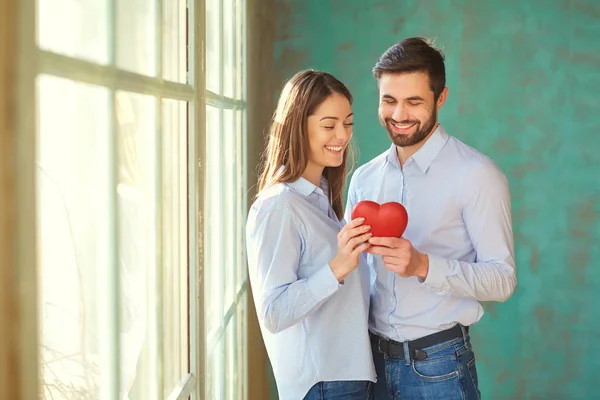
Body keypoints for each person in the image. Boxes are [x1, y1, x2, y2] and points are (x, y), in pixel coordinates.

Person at [344, 37, 517, 400]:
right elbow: (354, 277)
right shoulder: (364, 178)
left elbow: (502, 281)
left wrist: (424, 265)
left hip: (438, 368)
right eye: (389, 100)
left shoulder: (476, 174)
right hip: (368, 366)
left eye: (414, 101)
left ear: (441, 98)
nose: (399, 115)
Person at [246, 69, 376, 400]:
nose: (343, 135)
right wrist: (338, 267)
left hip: (346, 380)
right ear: (297, 126)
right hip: (324, 386)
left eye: (347, 123)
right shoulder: (279, 206)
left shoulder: (320, 198)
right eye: (329, 125)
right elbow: (274, 312)